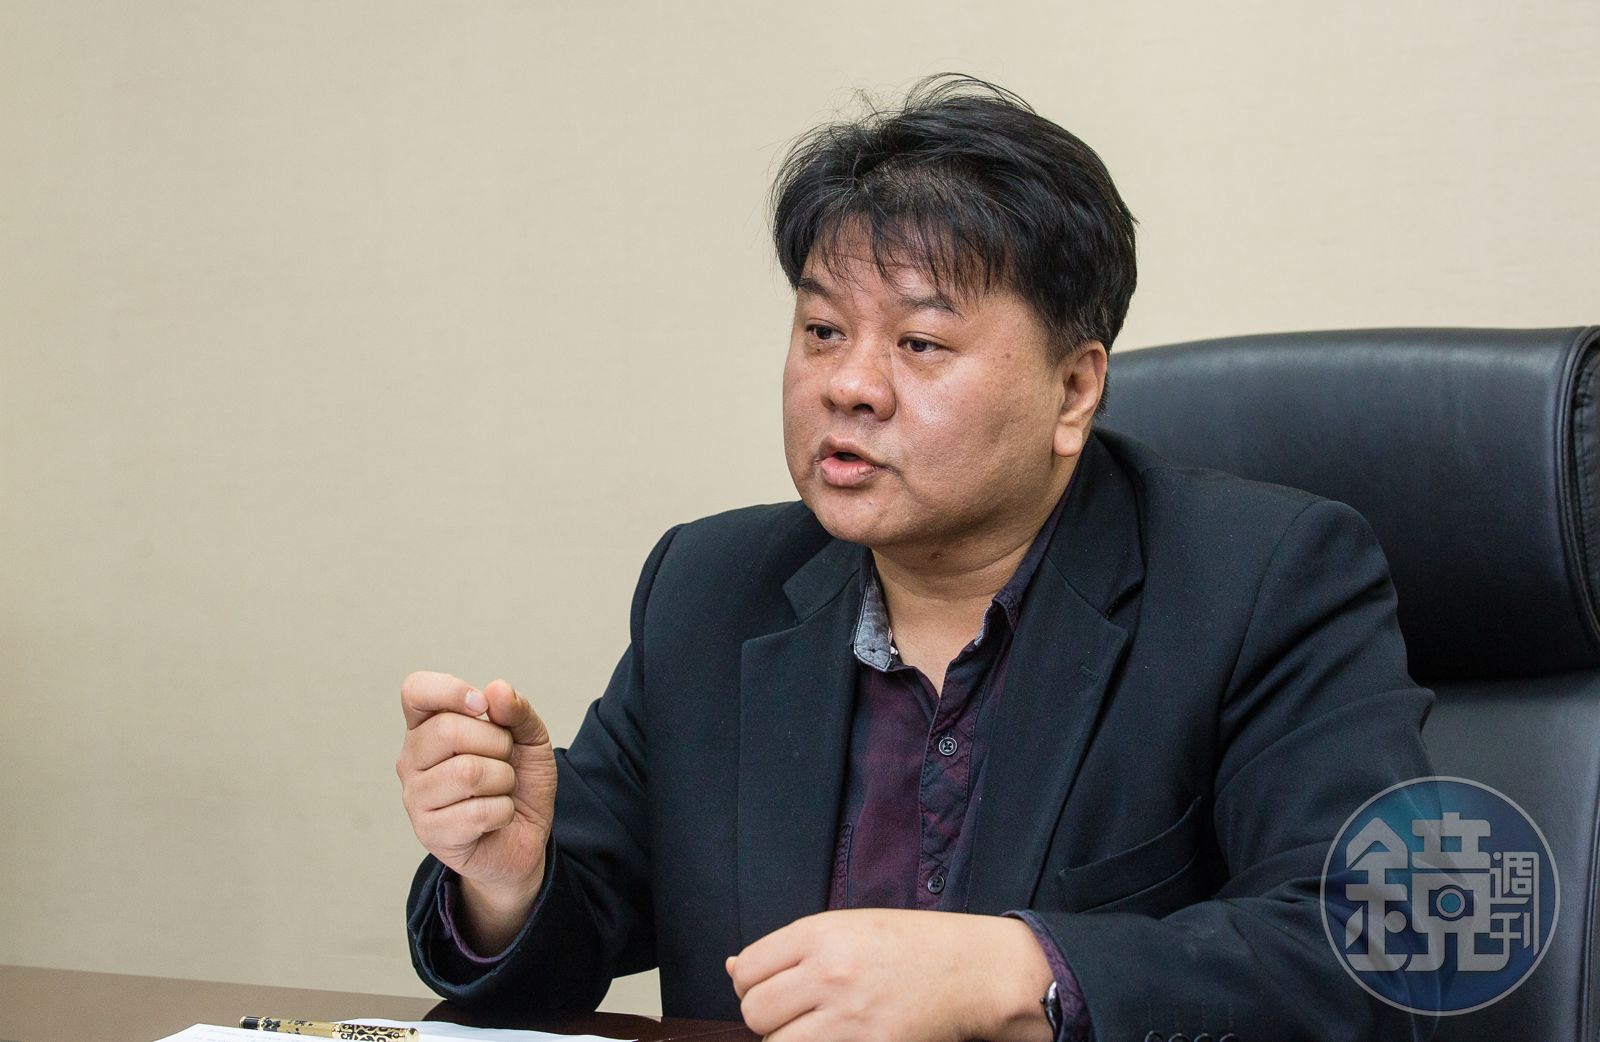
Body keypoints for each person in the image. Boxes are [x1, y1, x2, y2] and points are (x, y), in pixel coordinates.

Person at [396, 75, 1437, 1041]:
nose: (848, 385)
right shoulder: (711, 589)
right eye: (821, 329)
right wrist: (506, 881)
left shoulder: (1262, 581)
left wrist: (1019, 969)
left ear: (1074, 390)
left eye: (920, 343)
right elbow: (566, 940)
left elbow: (1388, 947)